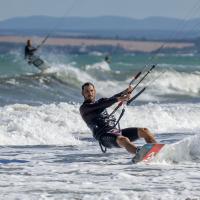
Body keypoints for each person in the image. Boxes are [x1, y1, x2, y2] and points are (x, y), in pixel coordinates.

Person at [80, 82, 157, 154]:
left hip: (115, 131)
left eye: (91, 90)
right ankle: (141, 154)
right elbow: (102, 105)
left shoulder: (101, 101)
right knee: (124, 140)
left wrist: (126, 91)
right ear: (82, 93)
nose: (90, 93)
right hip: (103, 136)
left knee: (144, 131)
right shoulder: (84, 108)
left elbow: (112, 98)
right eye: (87, 91)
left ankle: (156, 151)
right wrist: (119, 99)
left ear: (94, 91)